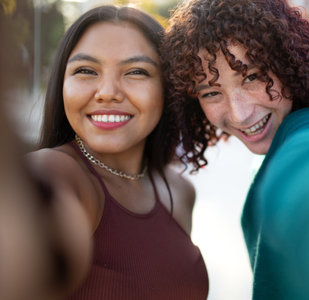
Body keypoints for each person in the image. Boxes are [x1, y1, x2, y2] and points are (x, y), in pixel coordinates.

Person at [161, 0, 309, 299]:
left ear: (288, 59)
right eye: (211, 92)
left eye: (251, 76)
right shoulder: (298, 129)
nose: (239, 113)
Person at [13, 5, 208, 299]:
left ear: (168, 88)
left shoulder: (179, 191)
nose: (107, 91)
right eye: (86, 71)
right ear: (61, 84)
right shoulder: (55, 175)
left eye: (137, 72)